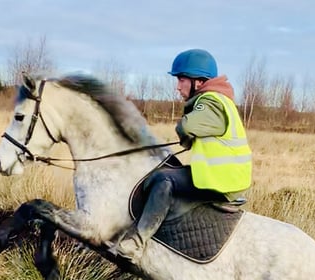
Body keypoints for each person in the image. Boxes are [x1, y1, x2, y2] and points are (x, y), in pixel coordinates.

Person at [107, 48, 253, 263]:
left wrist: (184, 133)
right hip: (227, 177)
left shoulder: (210, 100)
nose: (177, 86)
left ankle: (135, 243)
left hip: (221, 180)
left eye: (181, 80)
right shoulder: (221, 101)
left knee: (163, 178)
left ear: (199, 82)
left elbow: (188, 126)